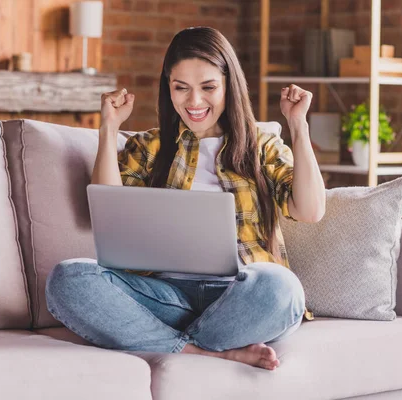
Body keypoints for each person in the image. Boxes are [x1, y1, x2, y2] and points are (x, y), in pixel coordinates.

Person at [45, 26, 325, 371]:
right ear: (168, 87)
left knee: (281, 287)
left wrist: (298, 126)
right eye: (181, 88)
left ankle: (165, 344)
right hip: (166, 297)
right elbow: (106, 212)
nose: (194, 102)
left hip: (242, 294)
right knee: (68, 278)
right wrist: (108, 130)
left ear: (228, 85)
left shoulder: (260, 144)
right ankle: (208, 354)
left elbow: (310, 210)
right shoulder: (150, 147)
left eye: (208, 87)